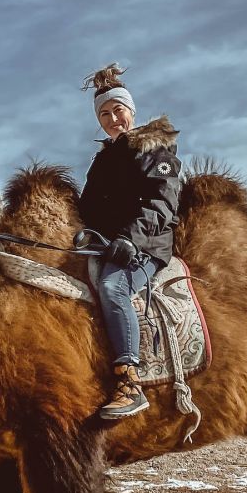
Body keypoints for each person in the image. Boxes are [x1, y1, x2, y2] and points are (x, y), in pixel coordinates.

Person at [78, 64, 182, 420]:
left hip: (148, 243)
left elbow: (163, 202)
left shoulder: (157, 149)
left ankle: (129, 382)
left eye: (117, 110)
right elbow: (87, 207)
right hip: (107, 244)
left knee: (113, 287)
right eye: (104, 114)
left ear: (131, 110)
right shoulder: (101, 161)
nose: (112, 119)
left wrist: (130, 239)